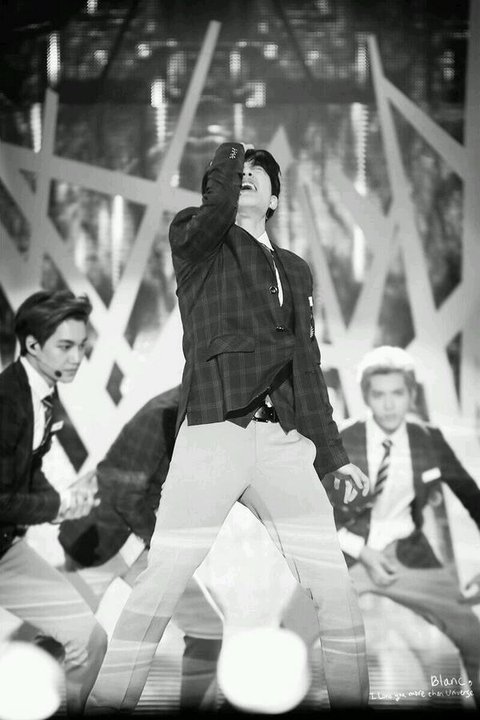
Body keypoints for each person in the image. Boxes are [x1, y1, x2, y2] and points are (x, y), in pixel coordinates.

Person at [86, 141, 371, 713]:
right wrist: (231, 151)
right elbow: (212, 209)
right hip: (214, 432)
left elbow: (308, 368)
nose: (244, 177)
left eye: (256, 174)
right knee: (161, 582)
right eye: (236, 173)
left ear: (274, 199)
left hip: (282, 441)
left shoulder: (295, 270)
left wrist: (334, 456)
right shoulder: (199, 242)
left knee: (334, 586)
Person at [282, 345, 480, 706]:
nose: (389, 404)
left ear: (411, 395)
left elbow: (472, 496)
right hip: (346, 553)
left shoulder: (428, 440)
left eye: (397, 393)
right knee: (288, 635)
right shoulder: (341, 439)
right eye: (379, 394)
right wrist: (362, 551)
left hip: (408, 554)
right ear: (367, 397)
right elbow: (311, 510)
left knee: (474, 637)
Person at [57, 384, 224, 711]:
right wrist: (163, 543)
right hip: (100, 540)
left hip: (139, 544)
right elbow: (125, 496)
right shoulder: (162, 414)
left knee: (207, 628)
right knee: (65, 639)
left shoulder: (207, 418)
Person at [0, 289, 107, 715]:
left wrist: (65, 502)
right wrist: (59, 505)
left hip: (5, 549)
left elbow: (26, 472)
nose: (77, 357)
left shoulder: (44, 392)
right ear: (32, 345)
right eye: (65, 347)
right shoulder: (5, 401)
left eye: (81, 346)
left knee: (89, 638)